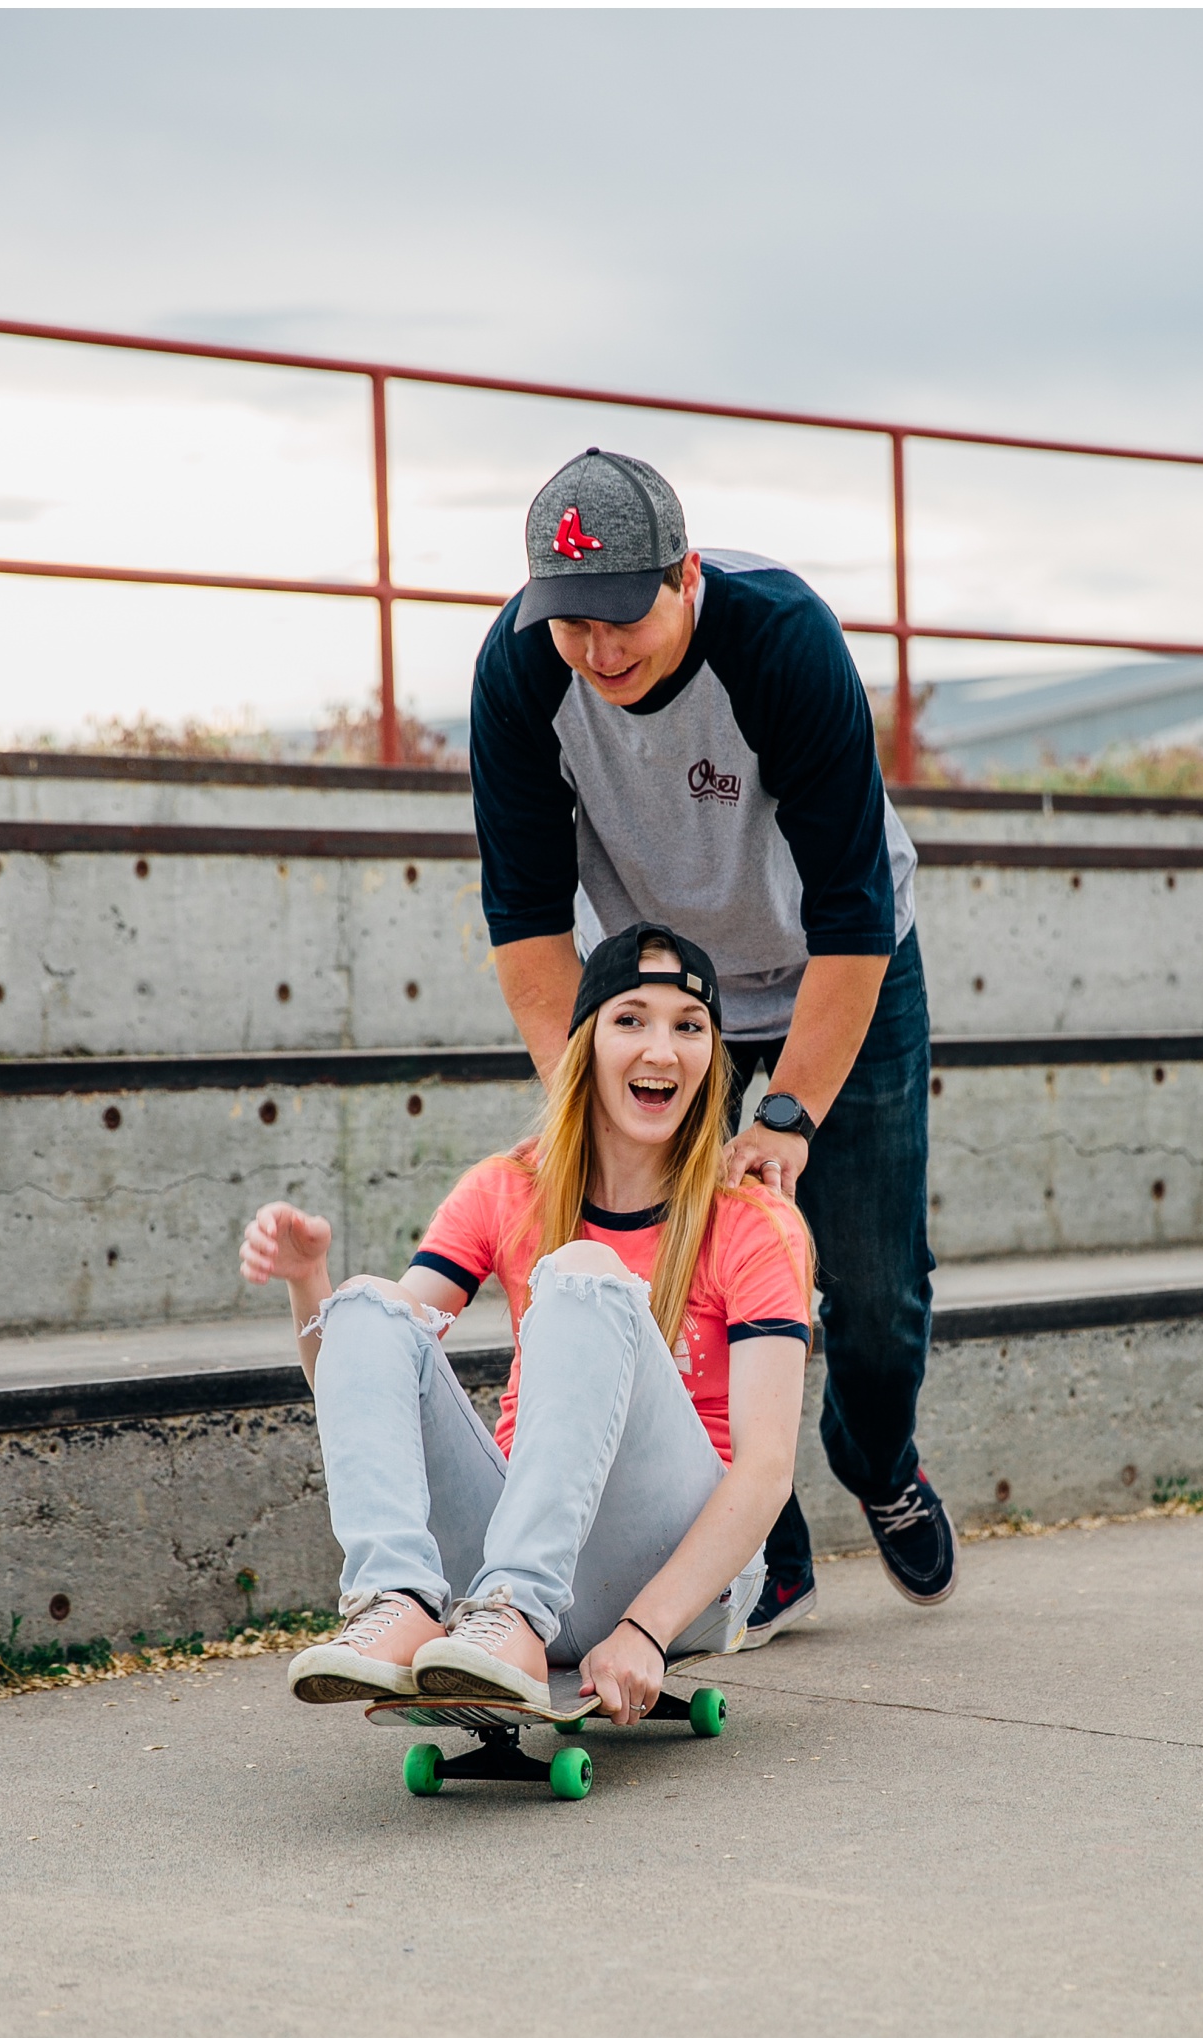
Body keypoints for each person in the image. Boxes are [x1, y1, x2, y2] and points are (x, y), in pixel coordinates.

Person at [468, 446, 958, 1644]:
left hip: (837, 966)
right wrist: (598, 1093)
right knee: (681, 1274)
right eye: (570, 621)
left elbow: (849, 910)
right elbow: (526, 921)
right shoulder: (520, 673)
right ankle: (765, 1546)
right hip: (665, 995)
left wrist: (784, 1119)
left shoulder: (783, 640)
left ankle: (875, 1450)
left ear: (684, 575)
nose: (599, 646)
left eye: (623, 615)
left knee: (876, 1290)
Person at [239, 925, 813, 1723]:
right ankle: (397, 1597)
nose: (663, 1048)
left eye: (689, 1026)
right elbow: (376, 1380)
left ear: (713, 1061)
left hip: (677, 1569)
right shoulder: (507, 1190)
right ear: (585, 1043)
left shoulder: (754, 1223)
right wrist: (309, 1287)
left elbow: (767, 1471)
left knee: (583, 1273)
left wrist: (646, 1631)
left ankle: (516, 1608)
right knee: (371, 1304)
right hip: (510, 1550)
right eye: (631, 1019)